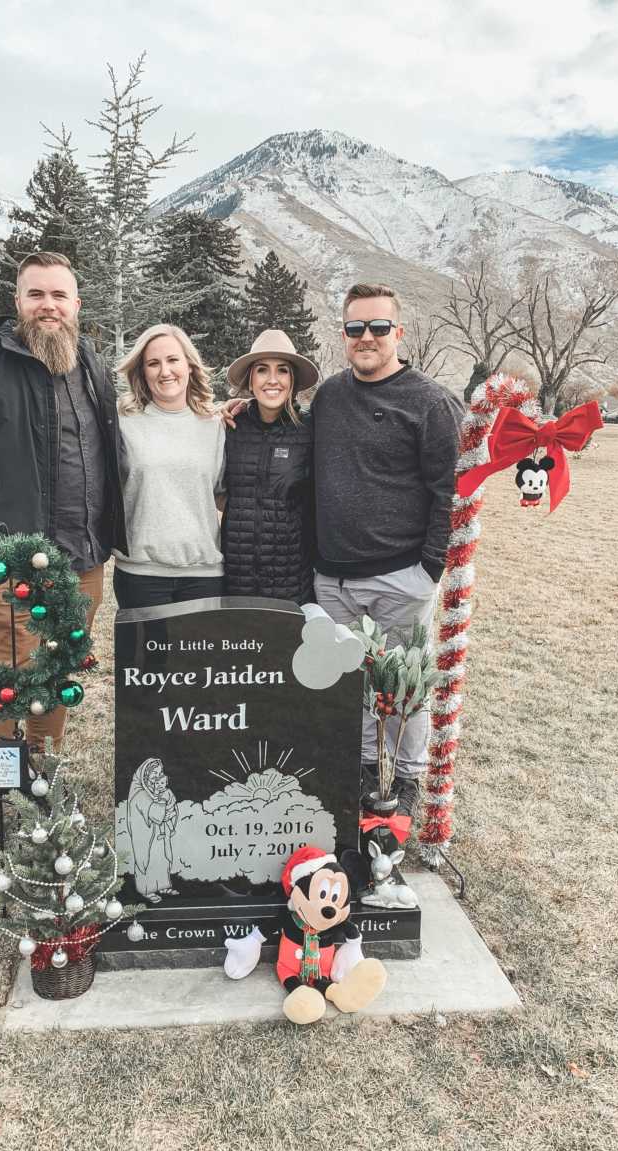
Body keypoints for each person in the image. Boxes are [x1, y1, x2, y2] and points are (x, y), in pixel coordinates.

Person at [0, 251, 127, 833]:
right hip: (7, 561)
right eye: (36, 294)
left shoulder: (90, 363)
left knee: (56, 672)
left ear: (76, 305)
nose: (48, 306)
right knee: (2, 675)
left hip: (83, 558)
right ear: (18, 303)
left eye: (59, 296)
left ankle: (42, 777)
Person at [312, 283, 463, 819]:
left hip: (401, 574)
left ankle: (404, 778)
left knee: (401, 683)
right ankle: (358, 769)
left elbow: (452, 490)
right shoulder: (329, 395)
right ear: (345, 335)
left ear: (399, 332)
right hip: (332, 576)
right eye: (356, 328)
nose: (367, 338)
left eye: (379, 327)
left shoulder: (431, 402)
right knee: (346, 682)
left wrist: (429, 569)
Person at [113, 324, 225, 609]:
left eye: (173, 360)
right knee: (142, 656)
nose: (165, 371)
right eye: (153, 363)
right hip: (140, 574)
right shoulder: (123, 422)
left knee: (200, 655)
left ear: (189, 364)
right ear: (142, 371)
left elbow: (224, 494)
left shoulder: (216, 425)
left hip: (204, 574)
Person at [222, 329, 317, 604]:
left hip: (291, 582)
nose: (273, 380)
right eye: (262, 370)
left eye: (283, 371)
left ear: (293, 380)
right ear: (250, 380)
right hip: (235, 580)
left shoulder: (310, 429)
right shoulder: (231, 426)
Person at [125, 757, 179, 903]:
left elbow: (166, 810)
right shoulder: (141, 794)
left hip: (158, 834)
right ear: (145, 776)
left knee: (161, 858)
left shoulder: (155, 791)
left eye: (159, 773)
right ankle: (146, 890)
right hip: (146, 835)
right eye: (154, 774)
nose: (158, 777)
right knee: (147, 861)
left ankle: (161, 885)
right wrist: (166, 805)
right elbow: (157, 813)